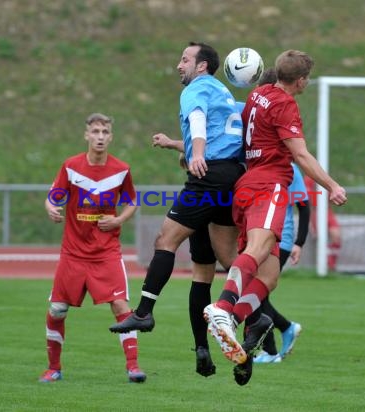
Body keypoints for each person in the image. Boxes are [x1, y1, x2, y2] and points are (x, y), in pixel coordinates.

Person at [203, 50, 347, 385]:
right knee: (258, 248)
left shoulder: (258, 93)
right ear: (301, 81)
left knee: (268, 275)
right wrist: (331, 185)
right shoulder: (284, 104)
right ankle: (222, 309)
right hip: (268, 185)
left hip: (247, 184)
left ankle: (234, 320)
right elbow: (299, 153)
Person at [109, 41, 245, 366]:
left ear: (201, 66)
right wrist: (175, 144)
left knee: (165, 240)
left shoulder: (195, 90)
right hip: (231, 177)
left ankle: (143, 313)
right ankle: (220, 339)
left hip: (207, 178)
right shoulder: (225, 95)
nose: (178, 65)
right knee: (214, 266)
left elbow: (198, 122)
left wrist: (196, 154)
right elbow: (220, 134)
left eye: (185, 59)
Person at [39, 113, 146, 383]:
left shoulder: (121, 169)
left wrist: (119, 219)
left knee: (121, 305)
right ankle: (54, 368)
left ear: (111, 136)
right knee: (57, 310)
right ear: (86, 135)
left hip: (106, 252)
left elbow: (132, 201)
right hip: (73, 253)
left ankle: (133, 367)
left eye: (105, 132)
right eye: (95, 131)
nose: (100, 136)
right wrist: (52, 208)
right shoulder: (71, 166)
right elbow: (53, 198)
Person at [252, 161, 309, 363]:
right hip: (256, 238)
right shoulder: (254, 163)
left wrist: (299, 242)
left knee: (254, 295)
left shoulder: (290, 168)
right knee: (256, 296)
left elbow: (303, 205)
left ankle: (271, 350)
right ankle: (285, 329)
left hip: (279, 240)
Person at [304, 175, 342, 271]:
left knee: (336, 236)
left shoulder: (326, 178)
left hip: (327, 210)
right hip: (315, 211)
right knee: (320, 238)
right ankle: (325, 265)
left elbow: (332, 196)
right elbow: (306, 200)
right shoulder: (308, 179)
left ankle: (331, 264)